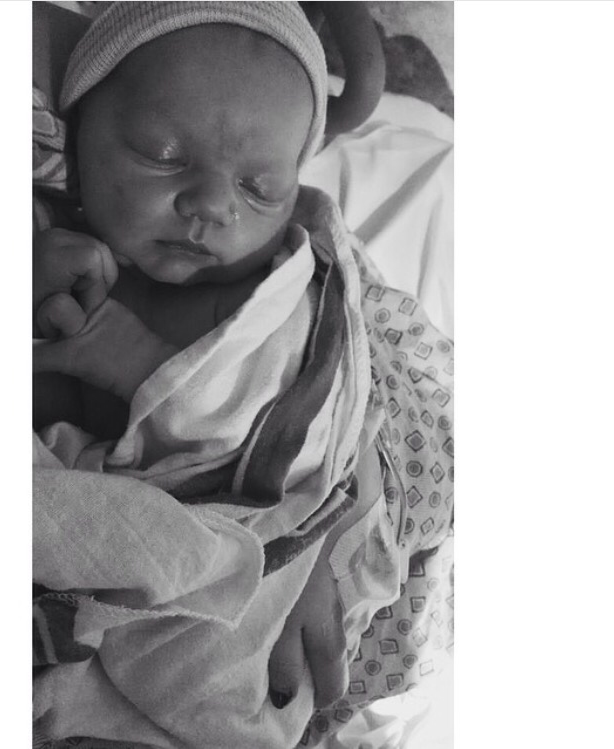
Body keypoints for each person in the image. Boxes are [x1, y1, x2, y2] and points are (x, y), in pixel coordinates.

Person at [32, 4, 453, 748]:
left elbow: (299, 413)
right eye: (161, 155)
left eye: (261, 188)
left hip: (297, 559)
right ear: (74, 130)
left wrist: (138, 362)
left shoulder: (270, 293)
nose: (214, 205)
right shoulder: (53, 243)